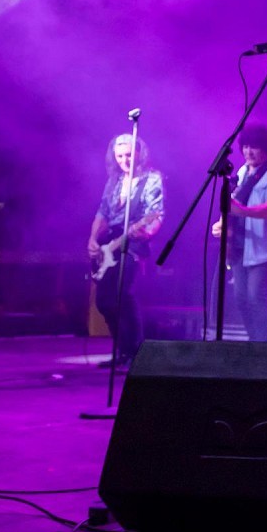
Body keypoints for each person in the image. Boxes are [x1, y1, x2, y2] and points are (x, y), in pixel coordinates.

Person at [87, 134, 165, 366]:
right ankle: (122, 349)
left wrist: (147, 232)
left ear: (140, 154)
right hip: (110, 243)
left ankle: (137, 353)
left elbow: (156, 214)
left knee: (124, 294)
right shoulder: (114, 181)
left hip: (134, 243)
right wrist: (93, 239)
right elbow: (103, 213)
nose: (125, 160)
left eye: (129, 155)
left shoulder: (152, 179)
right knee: (104, 301)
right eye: (120, 156)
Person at [210, 124, 267, 341]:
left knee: (256, 297)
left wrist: (242, 211)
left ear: (265, 148)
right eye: (245, 147)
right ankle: (253, 341)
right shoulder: (242, 172)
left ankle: (263, 346)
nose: (248, 152)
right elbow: (232, 204)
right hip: (239, 246)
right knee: (241, 298)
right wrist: (222, 224)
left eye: (253, 147)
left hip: (264, 247)